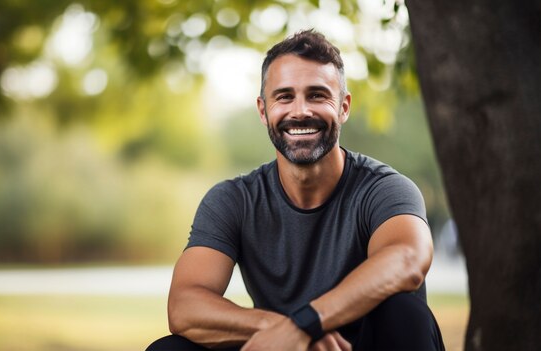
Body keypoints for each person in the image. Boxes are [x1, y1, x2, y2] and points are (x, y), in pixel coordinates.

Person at [147, 30, 444, 351]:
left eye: (317, 95)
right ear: (263, 110)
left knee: (404, 313)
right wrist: (283, 330)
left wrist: (308, 323)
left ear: (344, 106)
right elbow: (184, 307)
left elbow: (407, 259)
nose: (300, 111)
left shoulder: (384, 189)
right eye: (284, 96)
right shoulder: (233, 200)